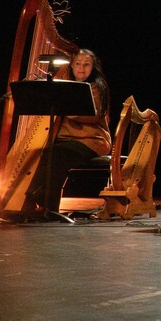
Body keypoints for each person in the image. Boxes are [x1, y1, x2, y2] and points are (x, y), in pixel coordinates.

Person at [26, 48, 112, 214]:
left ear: (93, 68)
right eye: (78, 64)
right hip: (66, 141)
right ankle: (37, 201)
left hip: (91, 140)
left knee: (57, 154)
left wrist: (64, 107)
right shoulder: (64, 85)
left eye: (86, 64)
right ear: (71, 66)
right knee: (42, 152)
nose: (81, 68)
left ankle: (45, 204)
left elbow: (94, 115)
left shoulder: (96, 87)